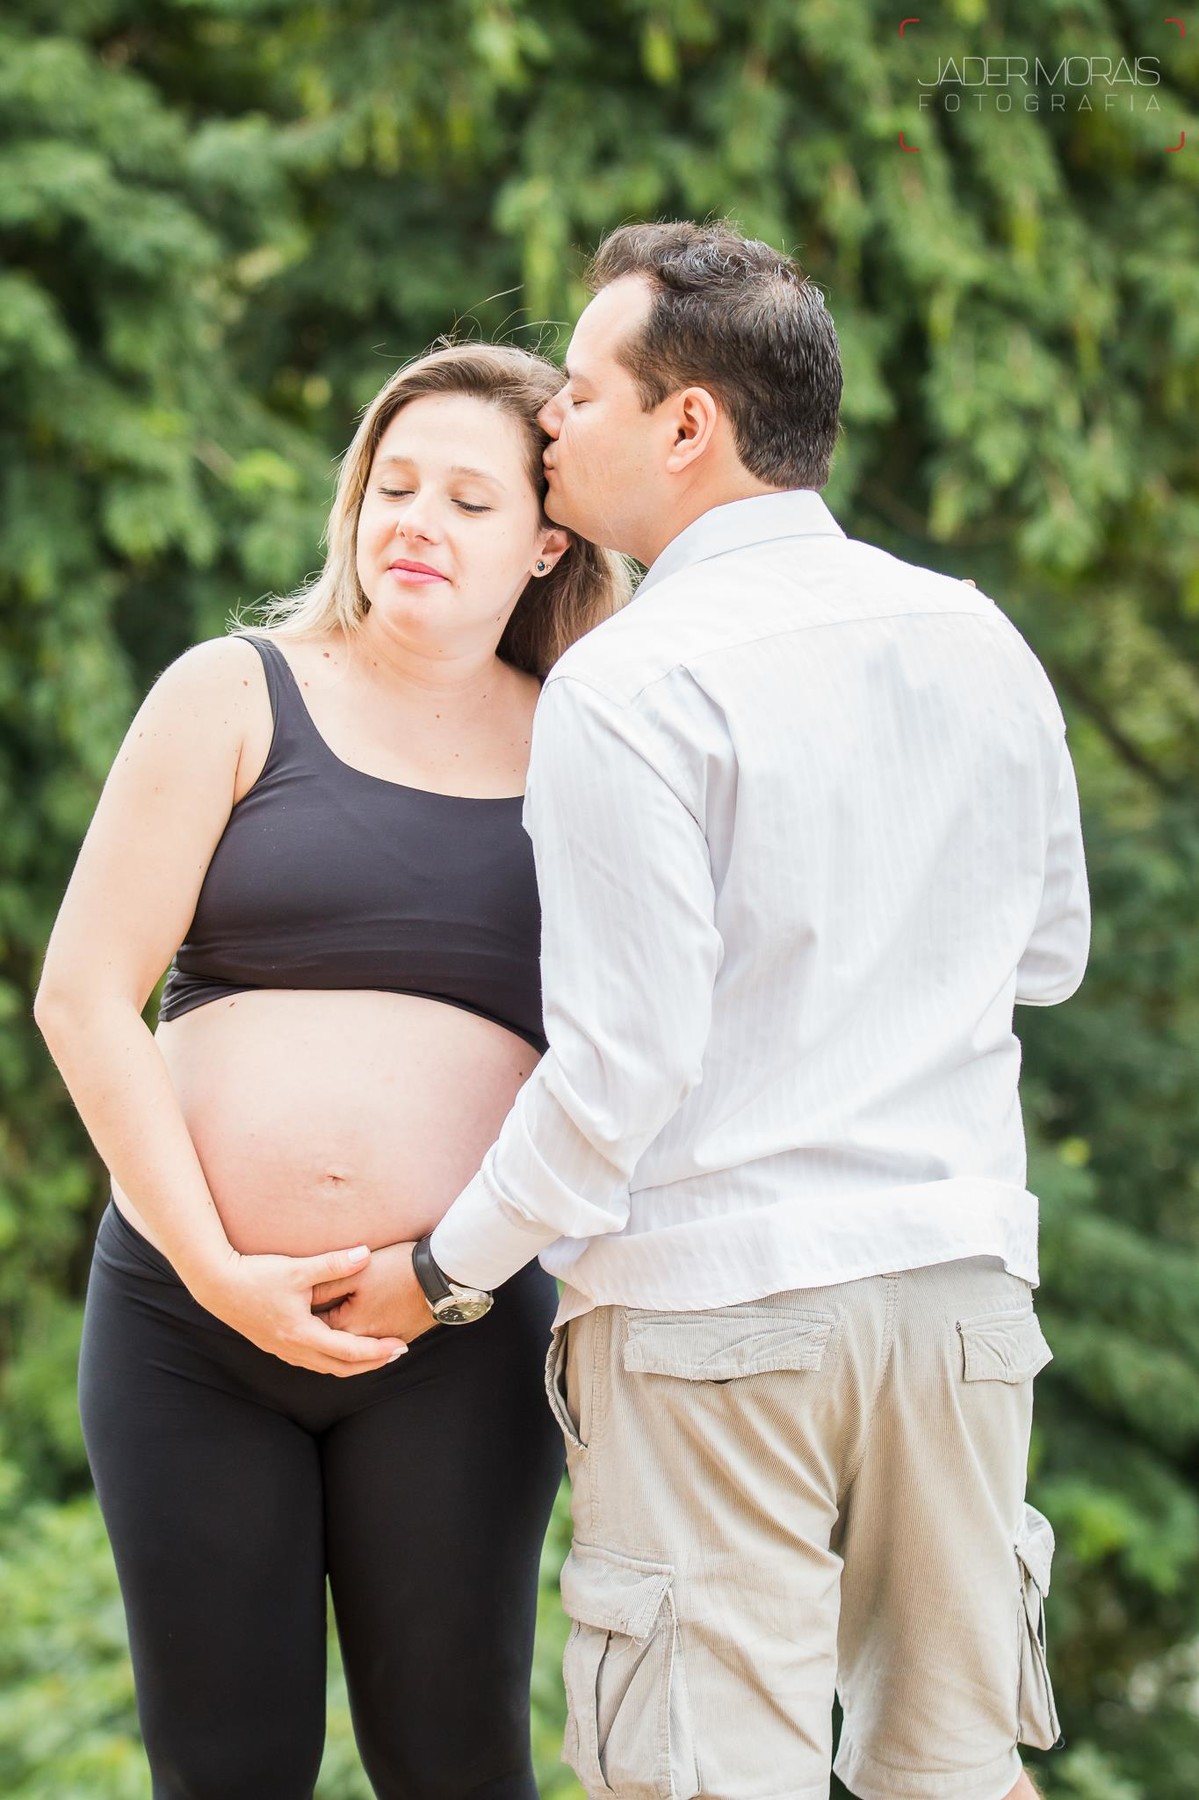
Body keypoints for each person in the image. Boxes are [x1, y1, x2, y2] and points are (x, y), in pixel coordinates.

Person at [371, 223, 1091, 1800]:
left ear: (685, 425)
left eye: (578, 392)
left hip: (717, 1314)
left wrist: (443, 1270)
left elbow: (621, 1073)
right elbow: (1047, 957)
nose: (551, 420)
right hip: (958, 1306)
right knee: (955, 1771)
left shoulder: (631, 686)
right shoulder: (977, 634)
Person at [34, 342, 630, 1800]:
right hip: (190, 1325)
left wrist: (448, 1270)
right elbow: (83, 998)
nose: (415, 520)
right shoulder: (231, 691)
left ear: (546, 537)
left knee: (455, 1760)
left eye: (468, 500)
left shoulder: (591, 745)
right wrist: (216, 1267)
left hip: (457, 1332)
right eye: (393, 483)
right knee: (225, 1766)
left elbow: (629, 1047)